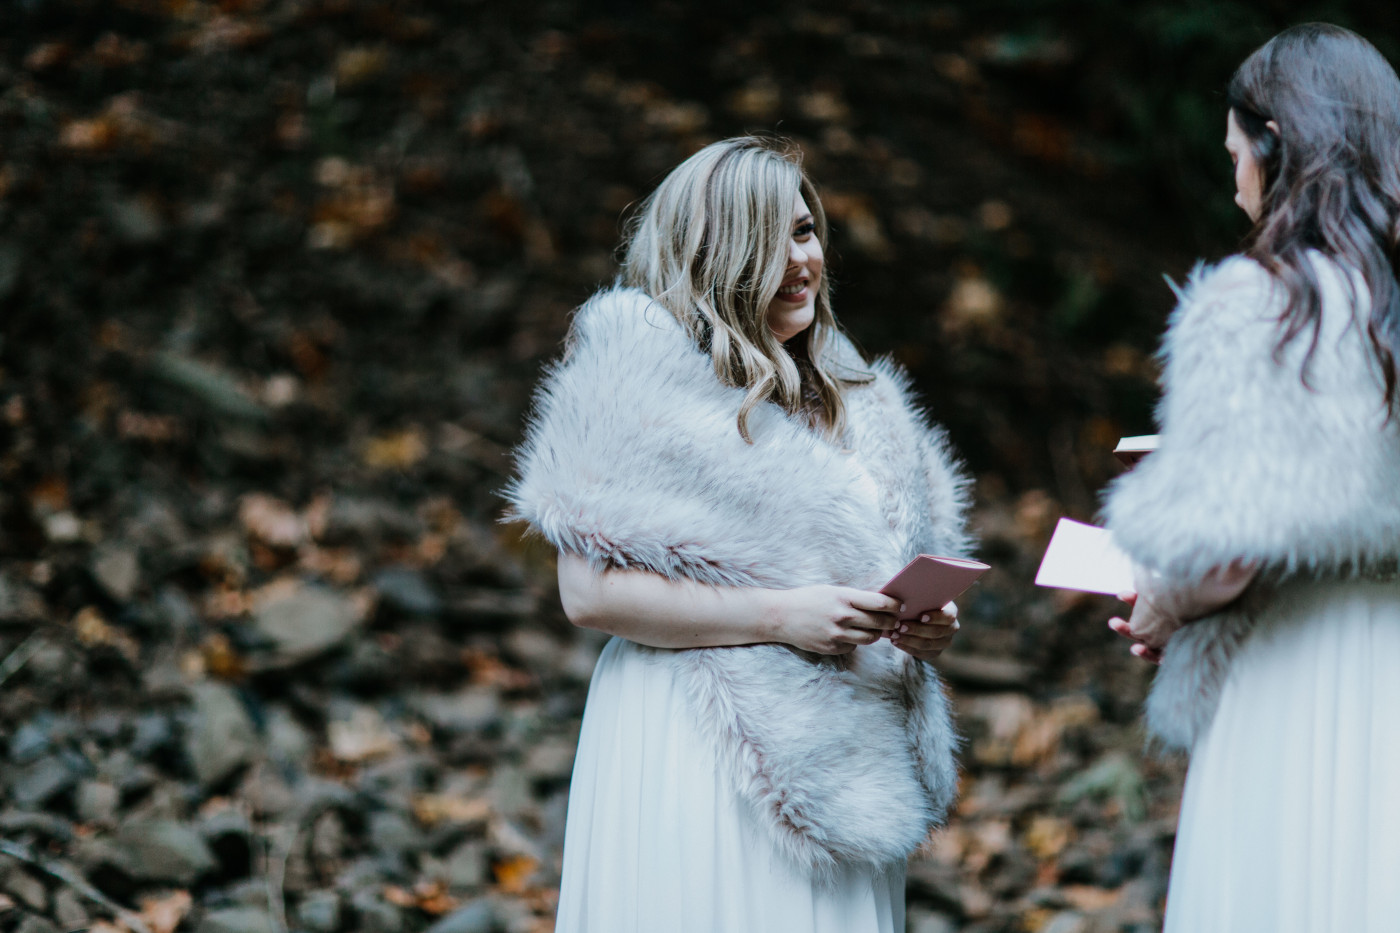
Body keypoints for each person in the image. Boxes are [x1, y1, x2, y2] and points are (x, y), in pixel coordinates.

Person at [507, 137, 971, 933]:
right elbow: (585, 594)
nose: (801, 259)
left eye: (805, 230)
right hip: (703, 735)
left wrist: (919, 627)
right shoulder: (637, 375)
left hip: (850, 751)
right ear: (711, 252)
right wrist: (781, 616)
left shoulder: (857, 396)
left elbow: (875, 575)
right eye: (771, 238)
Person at [1103, 24, 1400, 932]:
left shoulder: (1263, 305)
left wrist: (1167, 602)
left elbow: (1223, 552)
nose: (1233, 180)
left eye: (1235, 153)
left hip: (1295, 668)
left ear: (1274, 139)